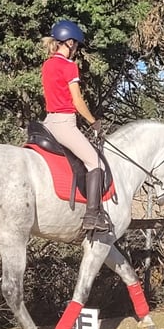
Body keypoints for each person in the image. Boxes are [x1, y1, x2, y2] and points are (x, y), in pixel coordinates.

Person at [40, 19, 108, 231]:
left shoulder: (47, 64)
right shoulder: (69, 66)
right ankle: (92, 216)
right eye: (76, 45)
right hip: (64, 124)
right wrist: (93, 121)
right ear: (69, 43)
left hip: (48, 123)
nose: (76, 50)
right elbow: (77, 101)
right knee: (96, 162)